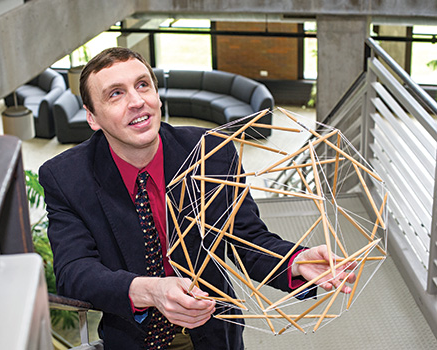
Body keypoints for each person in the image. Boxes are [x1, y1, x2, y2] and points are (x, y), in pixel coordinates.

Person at [39, 47, 356, 350]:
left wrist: (295, 261)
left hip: (215, 333)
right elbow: (75, 273)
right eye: (116, 94)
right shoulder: (66, 177)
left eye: (143, 85)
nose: (137, 101)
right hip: (136, 337)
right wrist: (151, 290)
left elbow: (245, 238)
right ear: (93, 117)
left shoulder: (212, 152)